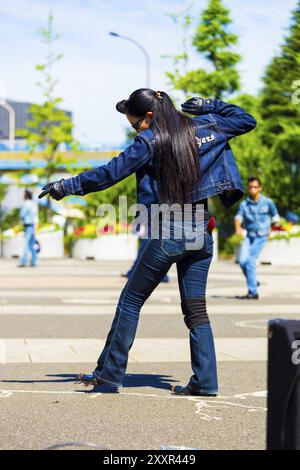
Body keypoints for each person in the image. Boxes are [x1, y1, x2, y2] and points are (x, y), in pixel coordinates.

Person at [39, 88, 256, 395]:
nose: (135, 129)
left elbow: (110, 173)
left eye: (135, 123)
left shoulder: (150, 140)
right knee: (196, 311)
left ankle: (110, 375)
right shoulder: (208, 125)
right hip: (201, 233)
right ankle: (205, 382)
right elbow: (246, 120)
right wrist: (211, 105)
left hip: (169, 230)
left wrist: (67, 185)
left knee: (130, 301)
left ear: (150, 116)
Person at [235, 177, 280, 299]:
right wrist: (238, 228)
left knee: (250, 262)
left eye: (255, 187)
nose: (253, 189)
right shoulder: (244, 204)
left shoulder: (268, 202)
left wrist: (270, 229)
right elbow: (238, 217)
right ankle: (253, 281)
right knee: (242, 261)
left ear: (260, 188)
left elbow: (276, 217)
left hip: (261, 236)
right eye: (250, 187)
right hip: (249, 236)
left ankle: (253, 292)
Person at [19, 189, 39, 267]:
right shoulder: (33, 204)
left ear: (26, 195)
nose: (22, 196)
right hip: (33, 225)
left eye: (23, 194)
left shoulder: (26, 204)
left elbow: (22, 214)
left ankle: (23, 262)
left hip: (28, 226)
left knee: (26, 244)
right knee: (31, 244)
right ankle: (34, 261)